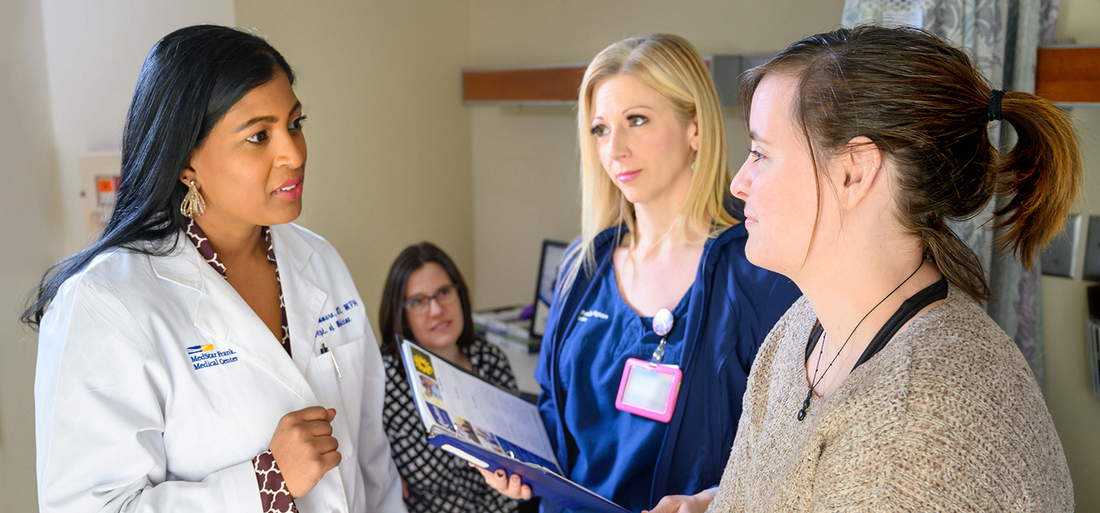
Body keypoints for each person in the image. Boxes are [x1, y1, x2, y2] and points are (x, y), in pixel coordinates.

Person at [24, 25, 404, 513]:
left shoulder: (320, 261)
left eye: (295, 123)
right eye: (258, 136)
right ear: (186, 160)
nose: (294, 153)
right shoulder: (104, 303)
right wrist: (265, 484)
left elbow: (372, 458)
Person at [697, 25, 1077, 512]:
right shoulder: (802, 331)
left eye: (760, 154)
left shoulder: (914, 435)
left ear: (854, 171)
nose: (739, 182)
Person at [477, 34, 802, 512]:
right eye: (601, 129)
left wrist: (713, 501)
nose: (615, 150)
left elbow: (793, 438)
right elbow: (553, 410)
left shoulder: (761, 266)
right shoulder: (582, 267)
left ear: (694, 126)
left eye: (637, 121)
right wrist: (516, 458)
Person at [377, 242, 520, 513]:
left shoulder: (490, 360)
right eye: (418, 301)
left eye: (443, 292)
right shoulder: (385, 380)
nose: (436, 309)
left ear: (460, 293)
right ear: (403, 315)